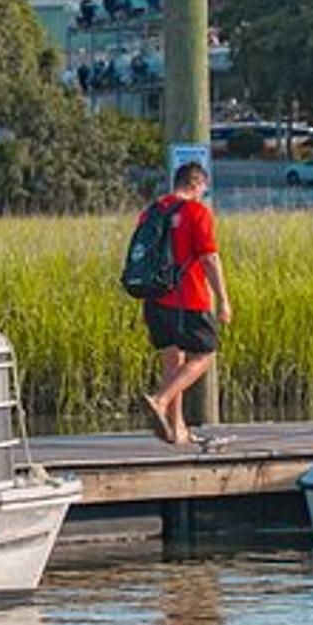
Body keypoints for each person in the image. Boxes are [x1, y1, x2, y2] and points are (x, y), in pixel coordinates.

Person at [138, 160, 232, 445]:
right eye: (204, 187)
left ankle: (177, 429)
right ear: (196, 184)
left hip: (154, 298)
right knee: (204, 355)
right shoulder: (196, 211)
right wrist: (224, 300)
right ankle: (160, 400)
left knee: (173, 361)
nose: (204, 193)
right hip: (188, 299)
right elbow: (209, 258)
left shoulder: (151, 211)